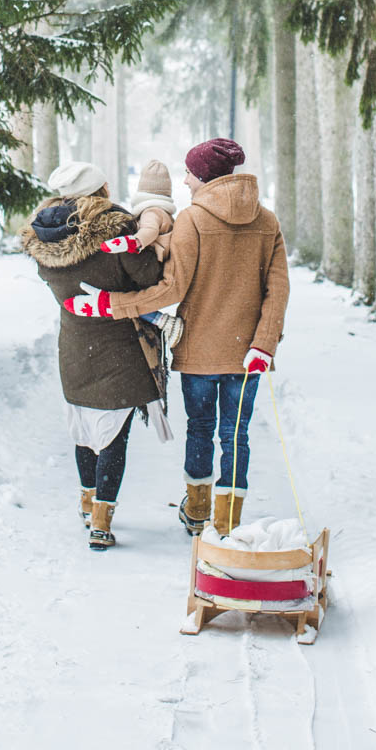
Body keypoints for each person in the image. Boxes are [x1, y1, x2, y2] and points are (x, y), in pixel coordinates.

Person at [64, 136, 289, 538]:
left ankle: (199, 513)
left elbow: (170, 290)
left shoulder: (193, 220)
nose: (184, 181)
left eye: (188, 172)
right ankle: (228, 523)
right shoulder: (267, 220)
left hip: (200, 351)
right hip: (247, 354)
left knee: (201, 428)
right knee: (236, 435)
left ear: (203, 175)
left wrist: (112, 304)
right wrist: (263, 345)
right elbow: (278, 290)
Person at [21, 159, 166, 551]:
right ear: (101, 189)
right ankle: (101, 521)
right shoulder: (116, 227)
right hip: (119, 342)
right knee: (114, 435)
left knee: (84, 429)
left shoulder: (44, 233)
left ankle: (88, 505)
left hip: (74, 342)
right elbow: (148, 276)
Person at [98, 158, 184, 348]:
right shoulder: (164, 212)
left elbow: (149, 231)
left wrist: (132, 242)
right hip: (161, 263)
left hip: (152, 263)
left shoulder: (151, 212)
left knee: (128, 296)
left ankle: (163, 321)